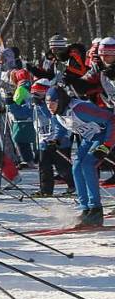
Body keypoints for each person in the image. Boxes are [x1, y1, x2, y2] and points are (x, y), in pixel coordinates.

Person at [45, 86, 115, 227]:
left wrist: (107, 145)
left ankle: (95, 210)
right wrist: (56, 140)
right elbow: (61, 129)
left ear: (61, 101)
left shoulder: (80, 109)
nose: (49, 107)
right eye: (47, 104)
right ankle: (86, 209)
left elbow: (111, 120)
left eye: (52, 103)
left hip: (103, 136)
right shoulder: (59, 114)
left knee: (87, 165)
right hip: (89, 138)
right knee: (76, 167)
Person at [29, 79, 73, 197]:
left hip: (59, 142)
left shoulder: (52, 105)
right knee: (44, 167)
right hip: (43, 141)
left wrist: (56, 139)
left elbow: (55, 119)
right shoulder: (35, 105)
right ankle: (46, 190)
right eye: (33, 93)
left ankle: (73, 185)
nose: (35, 96)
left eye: (37, 93)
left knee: (63, 167)